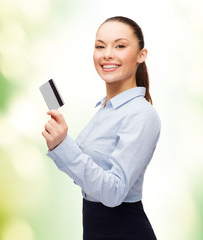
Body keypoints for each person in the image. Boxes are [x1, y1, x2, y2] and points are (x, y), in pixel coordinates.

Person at [42, 16, 161, 240]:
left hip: (124, 231)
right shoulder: (106, 108)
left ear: (140, 55)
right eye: (100, 46)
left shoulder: (141, 115)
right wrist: (60, 145)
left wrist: (64, 145)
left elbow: (113, 192)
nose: (107, 54)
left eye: (120, 46)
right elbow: (88, 179)